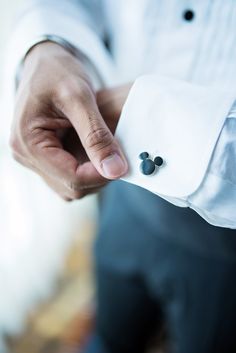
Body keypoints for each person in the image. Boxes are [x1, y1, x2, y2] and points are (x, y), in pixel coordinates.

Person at [8, 1, 236, 352]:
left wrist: (150, 117)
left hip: (224, 257)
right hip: (121, 199)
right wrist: (47, 43)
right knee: (108, 336)